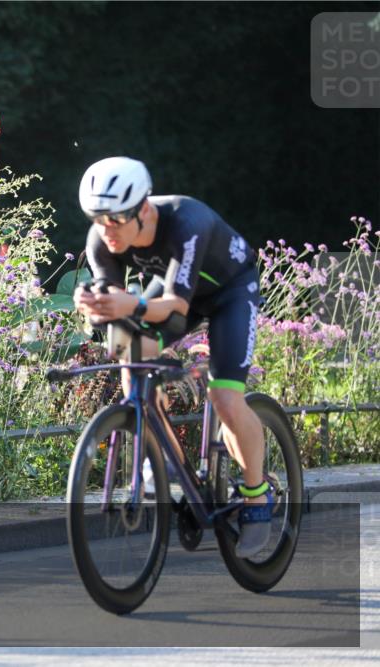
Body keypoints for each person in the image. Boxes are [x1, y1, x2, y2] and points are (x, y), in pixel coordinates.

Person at [73, 156, 272, 558]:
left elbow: (176, 309)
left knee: (225, 398)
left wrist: (131, 305)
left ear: (143, 210)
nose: (107, 230)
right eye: (98, 219)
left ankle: (257, 495)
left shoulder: (186, 222)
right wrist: (94, 305)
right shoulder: (101, 239)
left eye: (116, 220)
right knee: (132, 357)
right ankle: (169, 464)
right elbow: (114, 303)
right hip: (173, 293)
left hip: (229, 291)